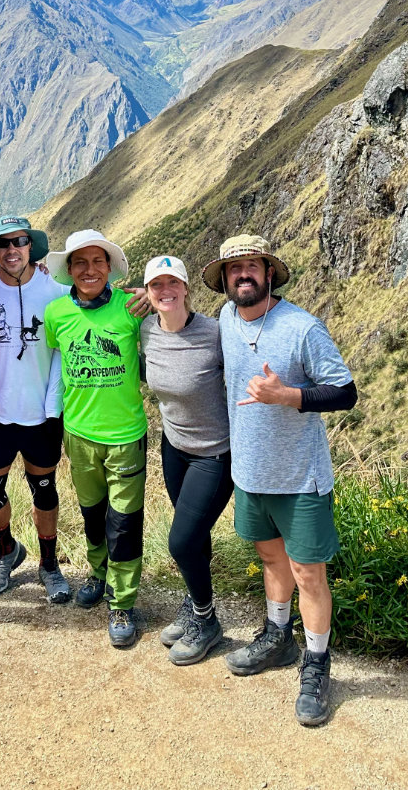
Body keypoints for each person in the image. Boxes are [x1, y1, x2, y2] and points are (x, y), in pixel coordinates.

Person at [204, 234, 358, 727]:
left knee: (309, 572)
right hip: (249, 471)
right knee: (270, 557)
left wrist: (287, 395)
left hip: (299, 476)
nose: (242, 275)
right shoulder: (227, 319)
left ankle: (316, 664)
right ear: (225, 280)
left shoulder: (302, 328)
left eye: (252, 266)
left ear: (269, 273)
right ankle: (278, 636)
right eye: (234, 269)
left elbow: (345, 392)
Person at [43, 229, 148, 648]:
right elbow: (57, 365)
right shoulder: (56, 315)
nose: (90, 270)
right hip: (79, 435)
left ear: (110, 268)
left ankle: (122, 601)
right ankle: (99, 572)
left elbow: (172, 323)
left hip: (125, 435)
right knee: (92, 515)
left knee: (123, 522)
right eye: (80, 263)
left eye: (98, 262)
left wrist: (157, 294)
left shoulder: (131, 308)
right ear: (69, 270)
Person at [0, 215, 73, 603]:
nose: (11, 249)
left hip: (42, 413)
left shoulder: (56, 291)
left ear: (32, 247)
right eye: (3, 243)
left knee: (44, 489)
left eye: (19, 242)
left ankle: (49, 564)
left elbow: (78, 329)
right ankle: (6, 552)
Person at [139, 255, 233, 666]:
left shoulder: (214, 333)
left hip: (215, 453)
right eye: (156, 285)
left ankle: (206, 621)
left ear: (187, 288)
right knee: (194, 536)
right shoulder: (145, 330)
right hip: (174, 448)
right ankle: (195, 603)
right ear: (147, 292)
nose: (165, 291)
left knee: (180, 539)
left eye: (172, 283)